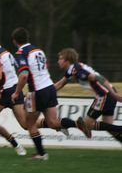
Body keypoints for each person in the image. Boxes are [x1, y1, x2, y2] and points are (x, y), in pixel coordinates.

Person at [10, 27, 86, 160]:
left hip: (38, 91)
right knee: (52, 122)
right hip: (50, 87)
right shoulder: (39, 50)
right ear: (27, 38)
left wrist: (17, 93)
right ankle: (76, 124)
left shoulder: (21, 52)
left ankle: (41, 154)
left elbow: (23, 76)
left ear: (15, 41)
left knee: (29, 124)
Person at [55, 48, 122, 142]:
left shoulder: (77, 70)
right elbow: (60, 84)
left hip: (104, 95)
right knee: (111, 129)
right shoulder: (72, 70)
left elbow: (98, 78)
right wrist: (45, 91)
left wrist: (113, 94)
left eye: (60, 59)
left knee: (88, 124)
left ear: (67, 60)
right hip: (107, 95)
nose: (58, 61)